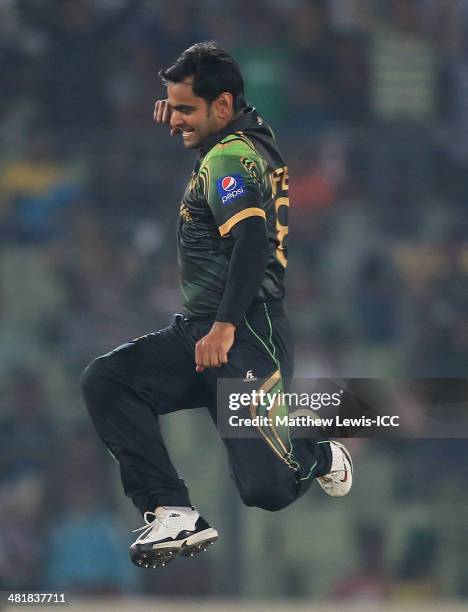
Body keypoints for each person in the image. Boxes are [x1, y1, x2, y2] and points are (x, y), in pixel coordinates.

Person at [81, 42, 353, 570]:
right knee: (109, 379)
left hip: (245, 335)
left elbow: (251, 239)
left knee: (265, 491)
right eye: (171, 106)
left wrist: (225, 327)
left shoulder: (228, 159)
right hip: (197, 333)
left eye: (185, 109)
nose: (173, 119)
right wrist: (181, 111)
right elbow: (216, 122)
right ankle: (173, 510)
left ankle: (316, 448)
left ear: (222, 106)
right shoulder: (251, 136)